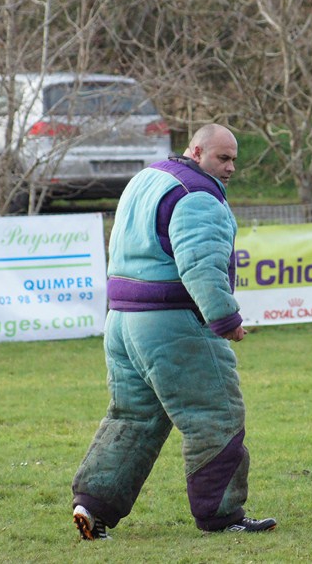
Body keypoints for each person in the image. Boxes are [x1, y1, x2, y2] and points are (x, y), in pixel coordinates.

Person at [71, 124, 276, 540]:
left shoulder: (148, 177)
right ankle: (222, 516)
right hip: (171, 323)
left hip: (122, 322)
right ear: (197, 150)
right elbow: (201, 265)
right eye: (223, 158)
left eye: (234, 158)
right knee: (216, 416)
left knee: (132, 417)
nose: (231, 167)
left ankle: (92, 506)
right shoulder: (198, 195)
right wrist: (226, 320)